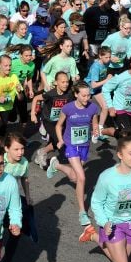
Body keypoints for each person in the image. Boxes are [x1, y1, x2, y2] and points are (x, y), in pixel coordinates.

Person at [50, 82, 101, 225]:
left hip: (84, 145)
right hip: (71, 145)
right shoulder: (68, 108)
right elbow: (59, 125)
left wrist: (95, 130)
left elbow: (94, 122)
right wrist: (60, 140)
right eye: (83, 95)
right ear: (76, 94)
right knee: (82, 178)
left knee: (74, 177)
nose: (87, 98)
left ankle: (56, 165)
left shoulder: (93, 107)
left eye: (88, 95)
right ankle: (82, 212)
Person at [0, 133, 33, 262]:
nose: (20, 152)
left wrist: (28, 196)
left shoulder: (24, 162)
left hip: (12, 204)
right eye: (16, 149)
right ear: (6, 149)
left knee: (15, 232)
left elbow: (24, 179)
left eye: (22, 149)